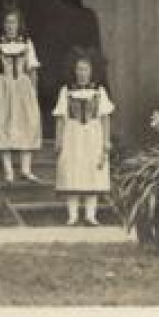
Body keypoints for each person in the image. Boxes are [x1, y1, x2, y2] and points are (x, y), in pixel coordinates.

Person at [0, 0, 42, 183]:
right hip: (3, 87)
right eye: (7, 23)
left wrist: (34, 93)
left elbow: (32, 70)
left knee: (27, 123)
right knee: (3, 124)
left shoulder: (27, 43)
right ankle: (8, 170)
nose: (10, 26)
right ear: (2, 25)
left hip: (23, 87)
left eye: (13, 22)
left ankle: (25, 169)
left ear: (19, 24)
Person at [53, 54, 115, 225]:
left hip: (93, 135)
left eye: (85, 69)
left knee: (92, 171)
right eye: (79, 69)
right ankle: (72, 215)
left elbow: (105, 118)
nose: (82, 73)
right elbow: (60, 117)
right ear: (74, 71)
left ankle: (90, 215)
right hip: (72, 135)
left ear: (92, 71)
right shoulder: (66, 91)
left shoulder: (99, 92)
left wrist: (106, 141)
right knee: (72, 171)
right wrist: (59, 140)